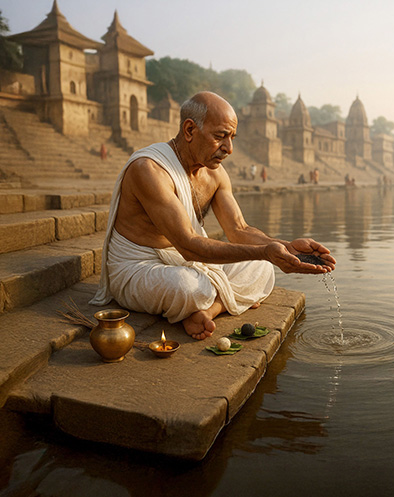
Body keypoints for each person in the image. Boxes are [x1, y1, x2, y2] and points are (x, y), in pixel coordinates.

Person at [90, 91, 336, 340]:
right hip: (141, 267)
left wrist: (288, 248)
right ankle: (219, 301)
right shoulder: (149, 170)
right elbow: (189, 246)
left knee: (262, 270)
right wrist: (264, 251)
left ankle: (208, 310)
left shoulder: (215, 173)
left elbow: (239, 230)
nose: (229, 148)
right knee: (187, 287)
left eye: (232, 138)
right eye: (220, 137)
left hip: (189, 263)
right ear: (189, 130)